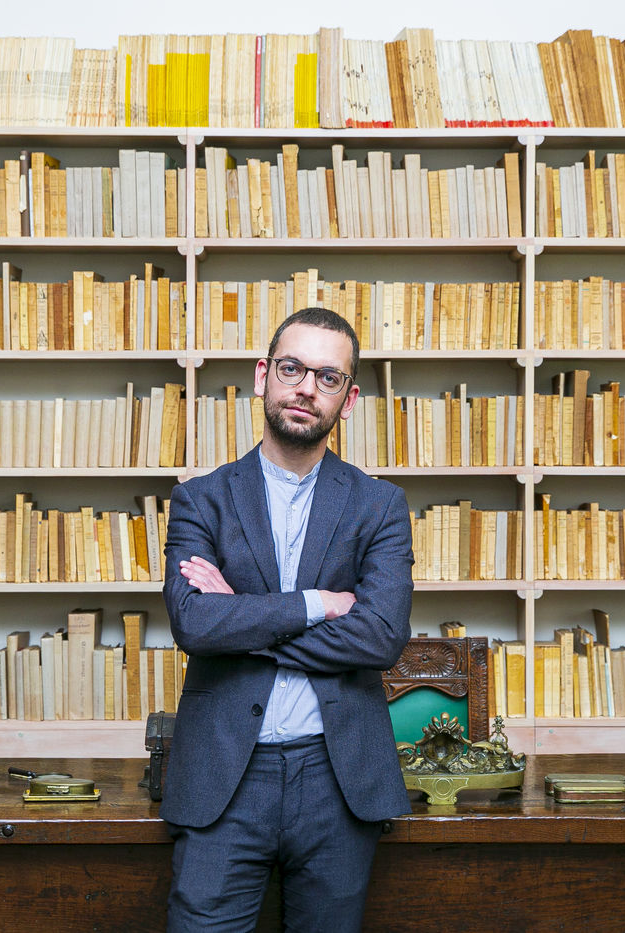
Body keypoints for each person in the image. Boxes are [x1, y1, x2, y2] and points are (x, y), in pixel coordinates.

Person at [161, 307, 415, 931]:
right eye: (292, 368)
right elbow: (194, 625)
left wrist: (241, 618)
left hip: (337, 779)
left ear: (348, 401)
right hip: (224, 776)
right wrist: (316, 604)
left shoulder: (380, 505)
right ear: (262, 376)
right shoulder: (201, 499)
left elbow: (381, 636)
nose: (306, 388)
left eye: (328, 377)